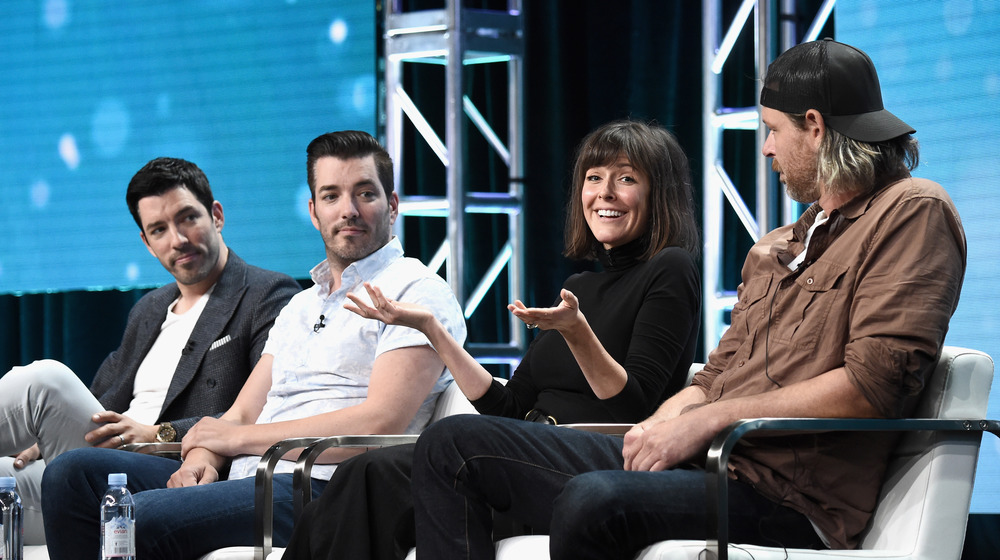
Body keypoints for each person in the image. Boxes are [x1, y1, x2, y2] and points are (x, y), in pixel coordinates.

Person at [409, 38, 967, 559]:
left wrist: (709, 421)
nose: (767, 148)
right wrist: (657, 428)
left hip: (787, 497)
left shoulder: (913, 211)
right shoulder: (780, 245)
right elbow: (716, 376)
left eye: (773, 130)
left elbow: (873, 385)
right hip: (709, 468)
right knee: (451, 445)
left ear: (815, 127)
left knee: (593, 498)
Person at [279, 119, 702, 560]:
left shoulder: (670, 269)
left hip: (600, 461)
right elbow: (511, 407)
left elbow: (635, 407)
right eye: (594, 178)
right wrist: (433, 332)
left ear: (660, 193)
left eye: (626, 178)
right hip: (522, 454)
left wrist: (578, 334)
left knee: (452, 439)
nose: (605, 193)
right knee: (364, 476)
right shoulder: (581, 285)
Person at [39, 130, 467, 560]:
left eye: (365, 194)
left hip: (327, 485)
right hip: (251, 477)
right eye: (332, 196)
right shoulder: (302, 305)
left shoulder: (416, 290)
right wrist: (201, 455)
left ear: (392, 205)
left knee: (140, 516)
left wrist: (239, 440)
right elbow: (242, 411)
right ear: (314, 212)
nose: (349, 211)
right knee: (71, 476)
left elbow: (380, 422)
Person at [0, 157, 300, 544]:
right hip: (101, 461)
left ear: (217, 215)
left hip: (172, 465)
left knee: (44, 382)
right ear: (146, 242)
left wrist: (159, 433)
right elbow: (100, 399)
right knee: (6, 471)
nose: (177, 239)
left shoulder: (268, 294)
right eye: (159, 229)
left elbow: (263, 409)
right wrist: (48, 433)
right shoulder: (150, 308)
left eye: (188, 218)